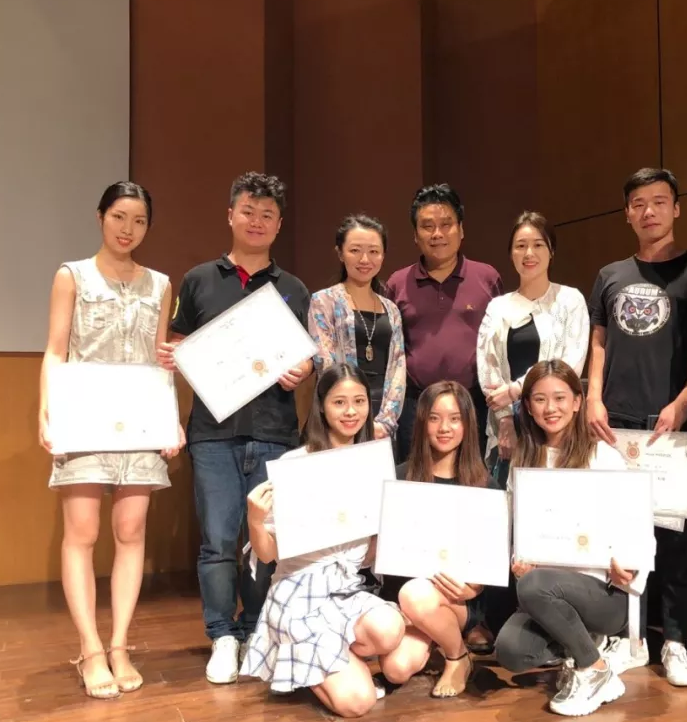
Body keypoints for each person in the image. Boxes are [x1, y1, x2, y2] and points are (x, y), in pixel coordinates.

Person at [157, 172, 313, 684]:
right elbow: (177, 343)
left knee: (266, 539)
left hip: (274, 432)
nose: (257, 221)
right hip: (213, 433)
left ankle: (258, 631)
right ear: (230, 215)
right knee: (219, 540)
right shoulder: (199, 279)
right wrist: (176, 354)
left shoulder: (293, 289)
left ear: (279, 225)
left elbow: (306, 357)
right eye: (248, 211)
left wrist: (302, 369)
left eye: (267, 215)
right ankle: (223, 635)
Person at [39, 181, 184, 699]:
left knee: (130, 530)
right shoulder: (72, 275)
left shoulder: (160, 284)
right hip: (84, 415)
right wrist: (47, 412)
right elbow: (55, 350)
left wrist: (171, 418)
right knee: (82, 532)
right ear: (100, 216)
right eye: (120, 217)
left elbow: (160, 358)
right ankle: (90, 649)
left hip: (140, 419)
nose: (128, 229)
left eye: (139, 221)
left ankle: (120, 645)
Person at [585, 167, 687, 687]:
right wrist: (593, 396)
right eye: (639, 203)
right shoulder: (610, 274)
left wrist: (684, 400)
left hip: (673, 425)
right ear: (627, 214)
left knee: (676, 539)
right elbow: (599, 340)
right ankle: (628, 635)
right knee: (619, 532)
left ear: (676, 208)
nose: (649, 211)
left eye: (659, 201)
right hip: (616, 424)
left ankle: (675, 640)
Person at [240, 364, 407, 718]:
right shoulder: (296, 464)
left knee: (390, 630)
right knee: (358, 702)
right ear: (322, 406)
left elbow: (366, 557)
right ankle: (306, 664)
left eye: (359, 401)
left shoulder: (373, 463)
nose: (350, 412)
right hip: (298, 597)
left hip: (345, 590)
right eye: (339, 402)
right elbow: (267, 555)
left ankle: (327, 659)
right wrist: (255, 519)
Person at [494, 361, 655, 717]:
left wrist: (629, 567)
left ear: (578, 402)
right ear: (527, 406)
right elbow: (515, 529)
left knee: (535, 585)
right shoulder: (523, 460)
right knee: (511, 651)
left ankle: (595, 670)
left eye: (560, 398)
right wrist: (517, 561)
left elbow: (639, 527)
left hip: (602, 593)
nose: (550, 408)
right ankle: (584, 644)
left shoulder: (603, 457)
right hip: (544, 591)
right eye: (539, 399)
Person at [372, 381, 501, 698]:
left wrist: (475, 586)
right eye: (434, 418)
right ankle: (436, 639)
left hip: (456, 599)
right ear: (421, 423)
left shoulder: (484, 485)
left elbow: (493, 554)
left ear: (467, 425)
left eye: (455, 419)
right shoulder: (399, 478)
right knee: (396, 669)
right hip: (406, 599)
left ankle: (458, 657)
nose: (445, 428)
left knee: (416, 595)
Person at [383, 184, 502, 462]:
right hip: (416, 405)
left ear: (461, 229)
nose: (437, 234)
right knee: (415, 477)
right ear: (415, 235)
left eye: (446, 224)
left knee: (471, 477)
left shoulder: (487, 278)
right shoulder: (397, 283)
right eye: (427, 226)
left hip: (473, 403)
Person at [477, 212, 588, 485]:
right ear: (511, 254)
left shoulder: (570, 300)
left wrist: (516, 389)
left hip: (556, 419)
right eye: (521, 245)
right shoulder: (497, 307)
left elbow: (570, 364)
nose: (529, 253)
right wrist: (504, 419)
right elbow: (487, 365)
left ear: (551, 251)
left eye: (538, 244)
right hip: (510, 423)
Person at [308, 214, 405, 440]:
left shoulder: (391, 309)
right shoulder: (324, 301)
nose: (365, 259)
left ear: (383, 255)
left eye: (374, 251)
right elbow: (325, 363)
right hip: (342, 414)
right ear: (340, 253)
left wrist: (385, 421)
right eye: (355, 250)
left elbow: (398, 366)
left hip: (382, 417)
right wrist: (350, 411)